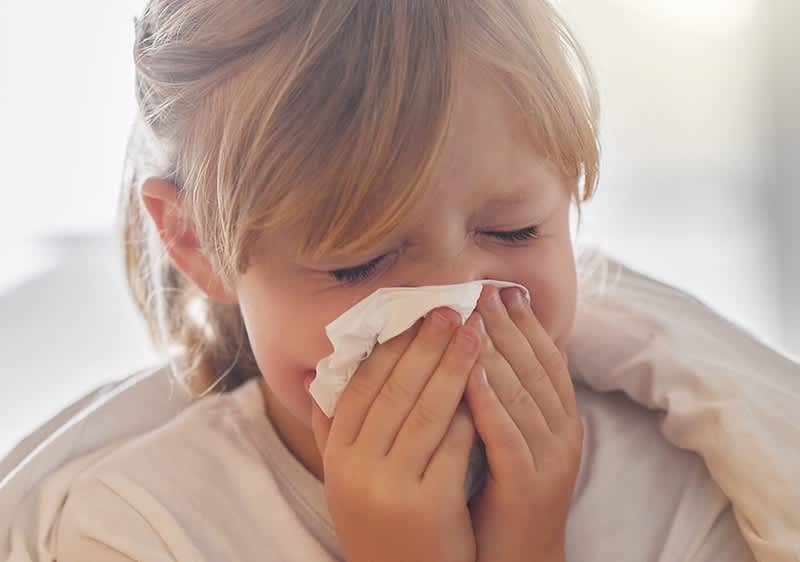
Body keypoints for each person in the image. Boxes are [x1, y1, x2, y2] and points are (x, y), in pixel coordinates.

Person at [50, 1, 754, 561]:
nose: (455, 308)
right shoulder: (139, 527)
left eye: (512, 231)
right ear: (195, 242)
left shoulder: (683, 480)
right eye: (356, 261)